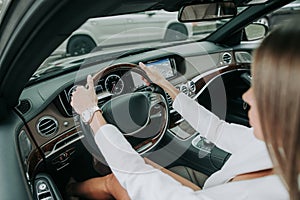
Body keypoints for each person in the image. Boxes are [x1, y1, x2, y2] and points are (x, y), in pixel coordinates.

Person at [69, 21, 300, 199]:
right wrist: (168, 87)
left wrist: (91, 112)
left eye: (261, 89)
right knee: (145, 163)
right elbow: (219, 130)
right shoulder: (281, 144)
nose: (247, 96)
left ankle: (70, 189)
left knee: (116, 181)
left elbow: (137, 178)